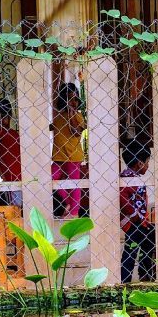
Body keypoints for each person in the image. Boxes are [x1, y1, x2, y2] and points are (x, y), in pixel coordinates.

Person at [119, 147, 155, 283]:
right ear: (140, 163)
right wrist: (133, 213)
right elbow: (122, 197)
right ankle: (131, 278)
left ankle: (142, 275)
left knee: (148, 239)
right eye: (147, 162)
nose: (148, 165)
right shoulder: (129, 178)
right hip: (133, 221)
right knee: (132, 249)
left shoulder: (131, 176)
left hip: (138, 221)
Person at [51, 83, 86, 218]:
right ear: (63, 100)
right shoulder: (59, 117)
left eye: (76, 99)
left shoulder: (78, 117)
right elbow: (52, 126)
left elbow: (76, 131)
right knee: (50, 180)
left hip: (73, 156)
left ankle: (74, 213)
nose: (73, 102)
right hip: (59, 156)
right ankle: (68, 203)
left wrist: (72, 115)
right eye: (70, 99)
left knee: (74, 184)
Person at [0, 99, 22, 207]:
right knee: (15, 205)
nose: (2, 119)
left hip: (19, 172)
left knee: (20, 203)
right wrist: (1, 174)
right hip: (8, 174)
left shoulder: (13, 133)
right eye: (0, 116)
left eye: (5, 116)